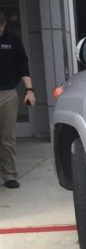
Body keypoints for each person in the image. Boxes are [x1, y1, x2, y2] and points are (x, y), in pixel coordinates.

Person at [0, 10, 35, 188]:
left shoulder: (12, 40)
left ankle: (9, 175)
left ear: (4, 25)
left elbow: (23, 65)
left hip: (7, 94)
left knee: (7, 137)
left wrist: (29, 90)